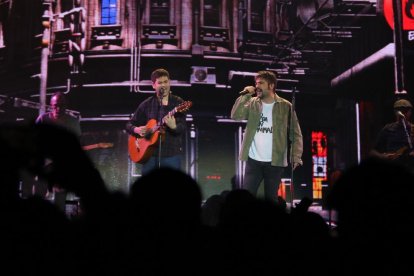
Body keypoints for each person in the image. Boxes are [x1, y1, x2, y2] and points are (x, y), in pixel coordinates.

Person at [231, 70, 303, 202]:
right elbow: (235, 115)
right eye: (256, 83)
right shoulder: (252, 102)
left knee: (271, 199)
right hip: (253, 160)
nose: (257, 86)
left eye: (261, 83)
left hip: (275, 162)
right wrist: (246, 94)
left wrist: (296, 156)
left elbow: (295, 133)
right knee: (246, 198)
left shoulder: (285, 106)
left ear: (271, 86)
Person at [126, 68, 188, 176]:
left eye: (166, 82)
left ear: (170, 82)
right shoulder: (147, 104)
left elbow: (183, 127)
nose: (163, 85)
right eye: (160, 82)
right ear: (153, 85)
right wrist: (136, 129)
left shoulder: (178, 103)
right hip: (150, 156)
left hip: (171, 155)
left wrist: (174, 127)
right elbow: (129, 125)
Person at [33, 92, 82, 211]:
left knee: (59, 201)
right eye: (56, 105)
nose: (58, 108)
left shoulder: (73, 122)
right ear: (51, 105)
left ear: (66, 106)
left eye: (62, 105)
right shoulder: (43, 119)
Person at [370, 98, 414, 171]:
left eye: (406, 110)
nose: (403, 113)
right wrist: (382, 157)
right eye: (399, 110)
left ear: (410, 112)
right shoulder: (388, 129)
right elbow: (373, 152)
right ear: (395, 112)